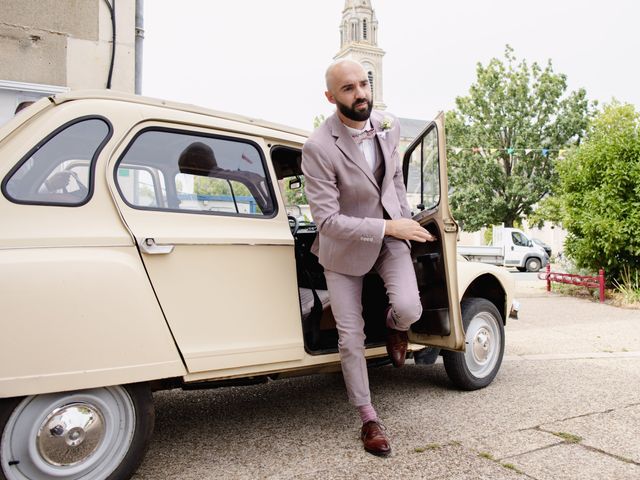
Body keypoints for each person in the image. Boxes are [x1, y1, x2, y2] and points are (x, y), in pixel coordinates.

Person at [301, 59, 436, 456]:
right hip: (343, 250)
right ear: (331, 97)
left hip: (391, 236)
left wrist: (403, 219)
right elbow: (326, 221)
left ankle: (395, 327)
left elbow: (393, 179)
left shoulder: (389, 126)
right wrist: (389, 228)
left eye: (363, 84)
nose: (360, 93)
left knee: (410, 308)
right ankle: (367, 417)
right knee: (351, 337)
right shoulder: (318, 147)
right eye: (348, 88)